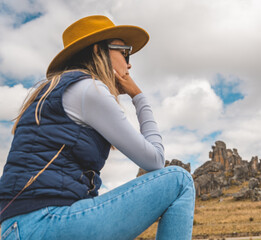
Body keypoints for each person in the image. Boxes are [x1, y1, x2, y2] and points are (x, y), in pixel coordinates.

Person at [0, 15, 195, 240]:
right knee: (179, 181)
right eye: (124, 52)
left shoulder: (56, 90)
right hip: (44, 223)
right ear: (97, 51)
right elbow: (154, 160)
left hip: (21, 226)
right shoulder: (88, 88)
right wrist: (138, 97)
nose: (129, 62)